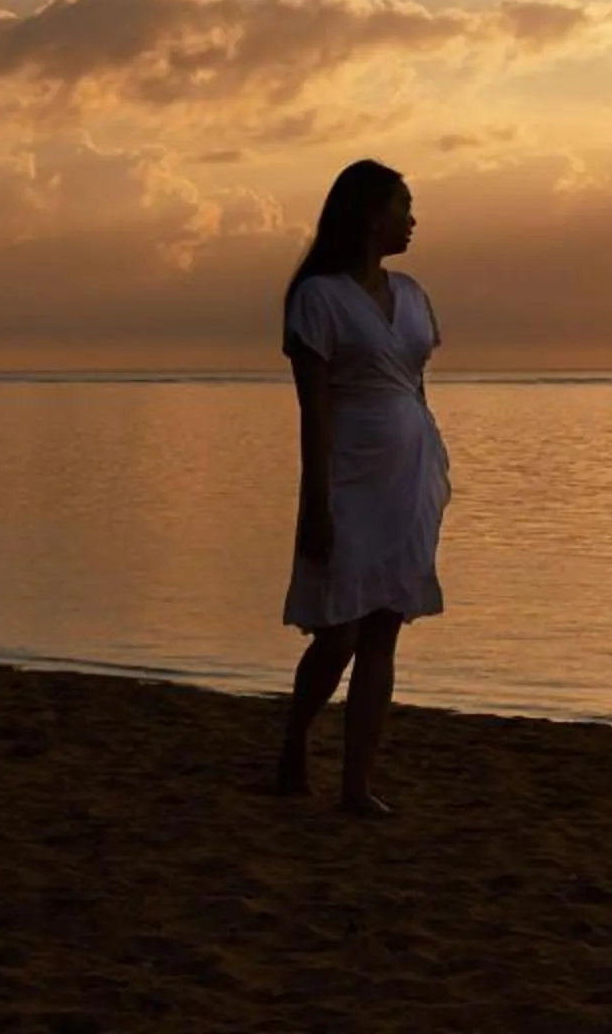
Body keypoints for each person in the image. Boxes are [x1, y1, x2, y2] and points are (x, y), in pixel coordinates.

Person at [274, 160, 448, 814]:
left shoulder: (412, 293)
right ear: (372, 214)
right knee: (339, 633)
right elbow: (312, 412)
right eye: (404, 205)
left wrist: (430, 469)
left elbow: (417, 387)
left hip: (409, 477)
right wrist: (316, 504)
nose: (412, 218)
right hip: (348, 472)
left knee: (384, 629)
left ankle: (357, 785)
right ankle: (295, 738)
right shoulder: (317, 297)